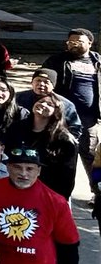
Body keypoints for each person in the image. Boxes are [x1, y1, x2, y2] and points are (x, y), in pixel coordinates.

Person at [42, 28, 100, 168]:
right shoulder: (56, 60)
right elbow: (42, 81)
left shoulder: (98, 61)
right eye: (70, 41)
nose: (73, 44)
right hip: (63, 116)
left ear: (90, 43)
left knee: (90, 154)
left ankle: (97, 187)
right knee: (61, 152)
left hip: (89, 118)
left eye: (78, 41)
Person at [6, 94, 79, 199]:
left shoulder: (64, 140)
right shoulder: (16, 128)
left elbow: (67, 176)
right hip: (15, 187)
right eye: (40, 101)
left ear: (57, 112)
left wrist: (60, 199)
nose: (43, 105)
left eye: (49, 104)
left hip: (47, 193)